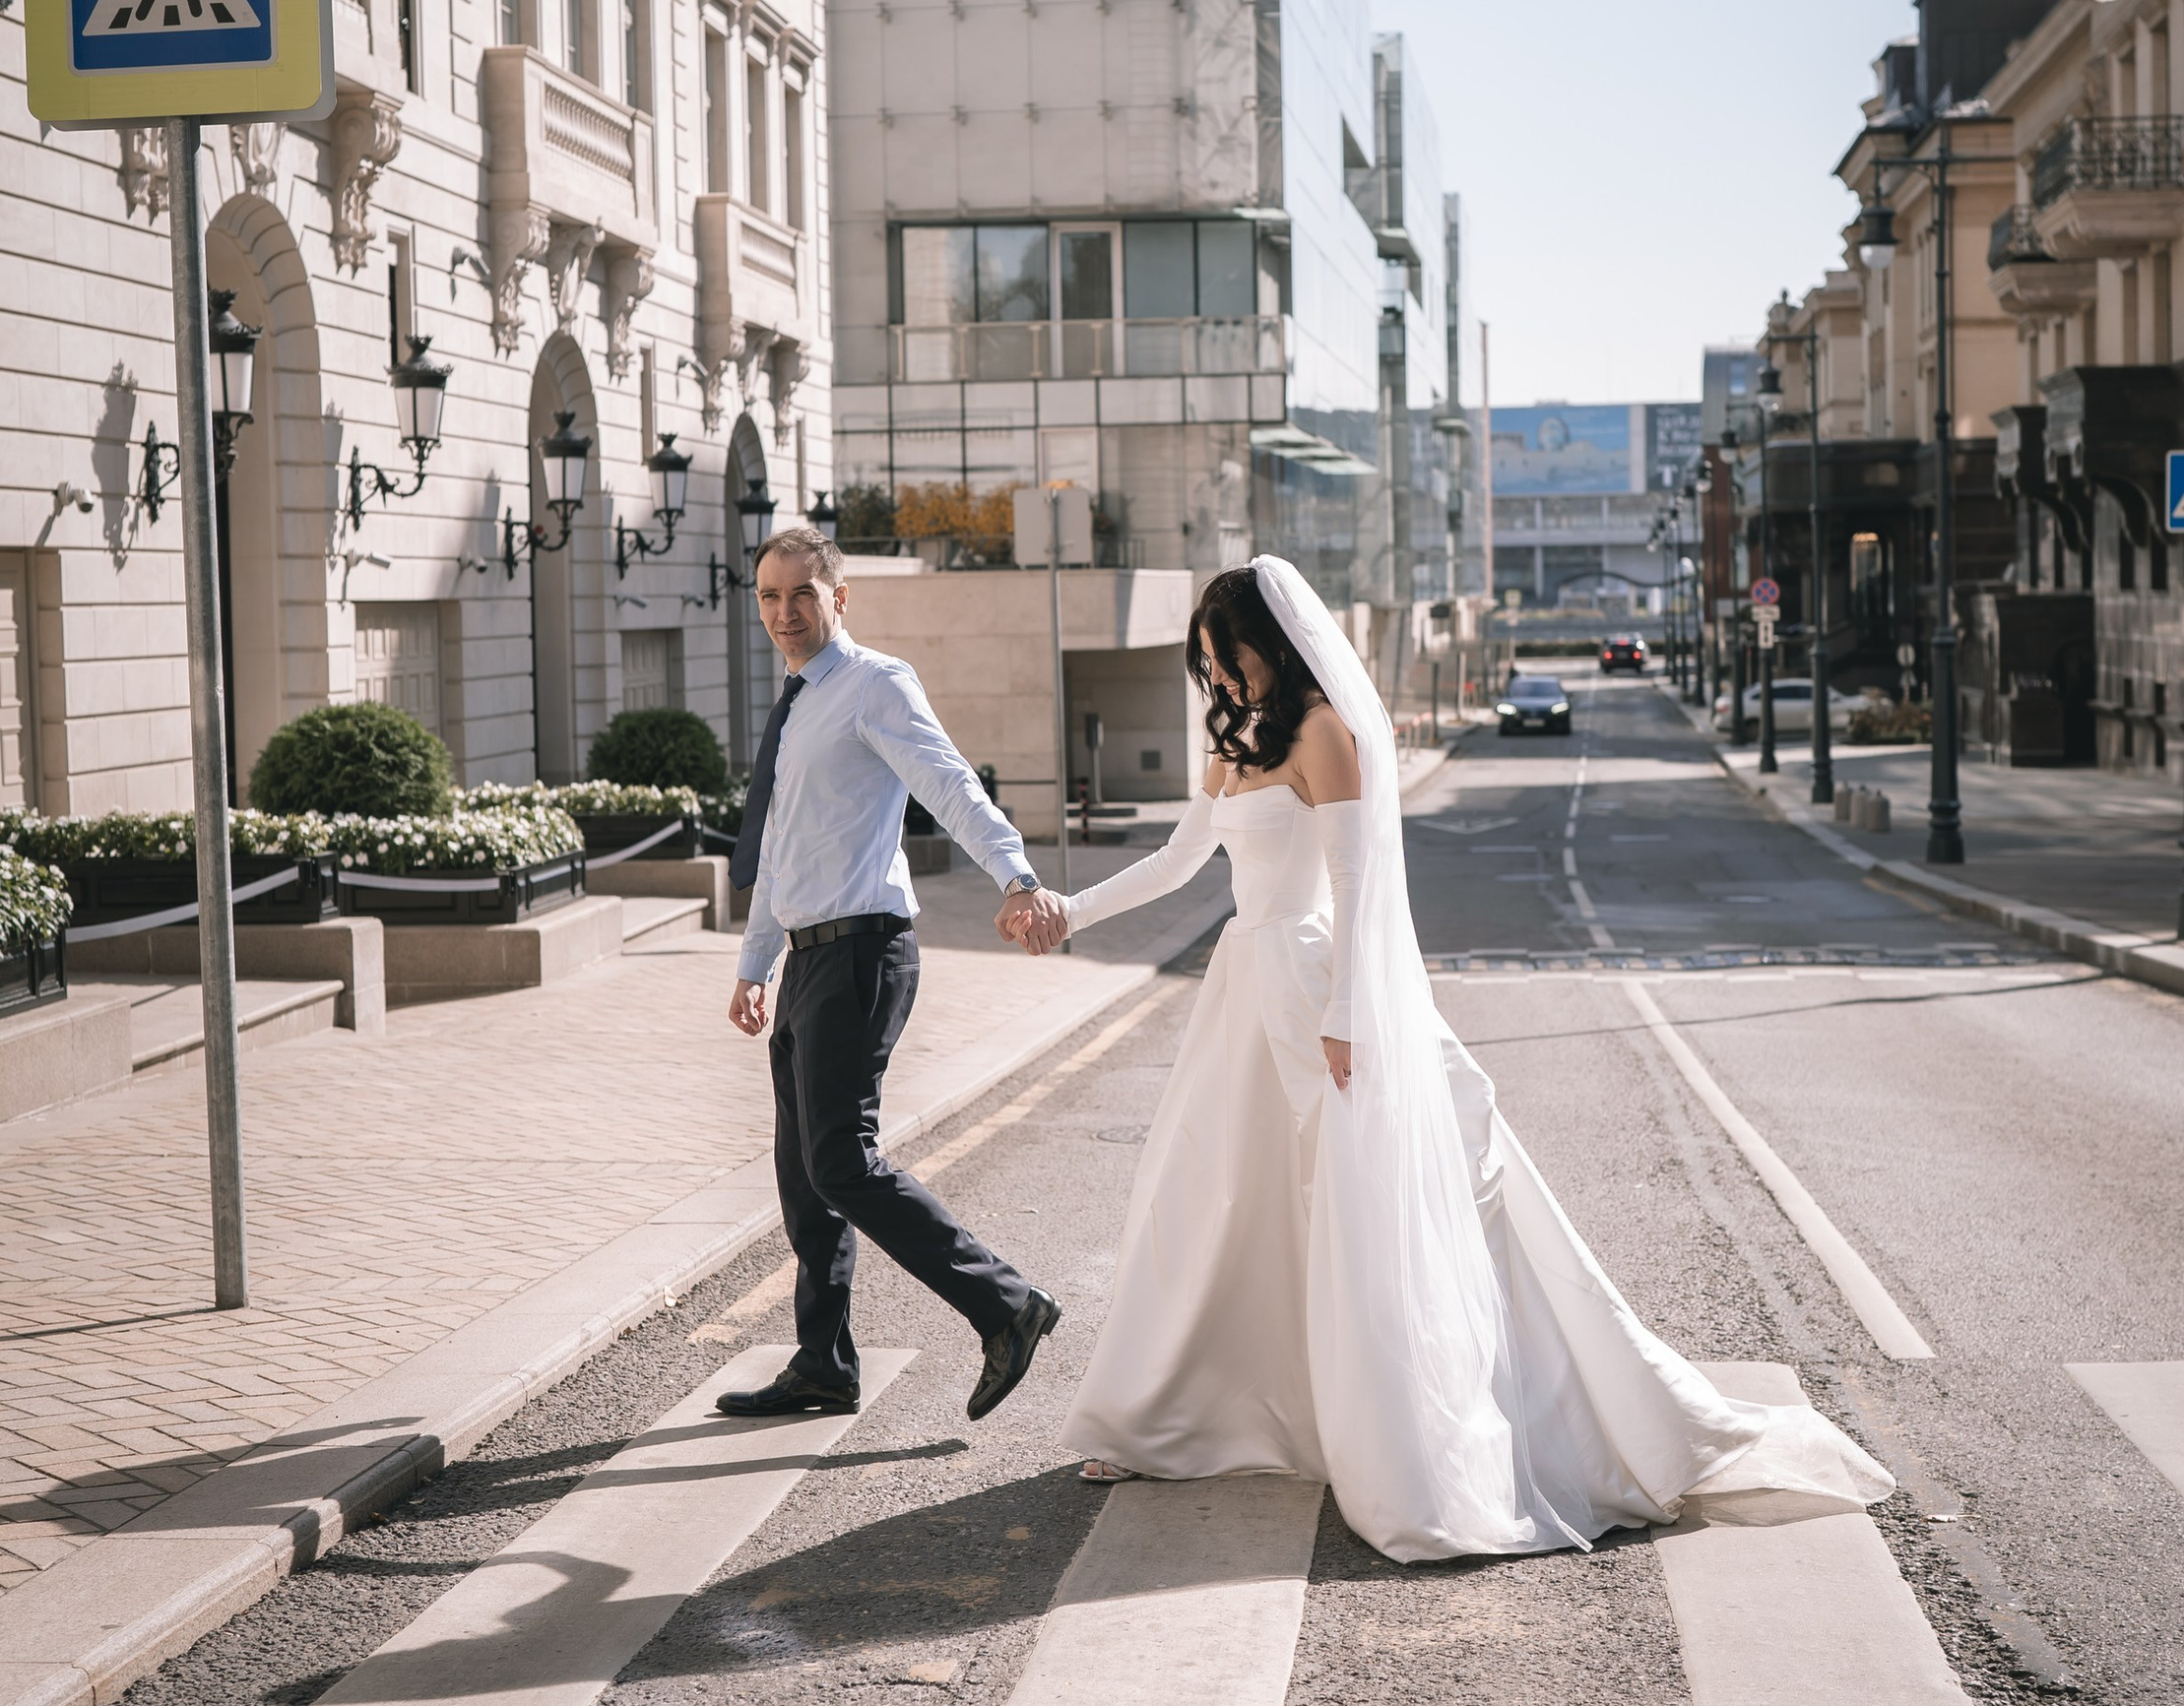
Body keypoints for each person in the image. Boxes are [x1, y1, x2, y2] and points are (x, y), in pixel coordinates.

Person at [1007, 554, 1891, 1563]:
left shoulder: (1324, 732)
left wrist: (1348, 1013)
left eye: (1232, 656)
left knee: (1350, 1211)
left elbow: (1358, 885)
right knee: (1216, 1198)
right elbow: (1176, 862)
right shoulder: (1236, 735)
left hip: (1317, 989)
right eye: (1207, 663)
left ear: (1276, 645)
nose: (1221, 677)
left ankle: (1385, 1434)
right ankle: (1171, 1418)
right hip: (1242, 990)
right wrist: (1068, 911)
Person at [718, 520, 1069, 1424]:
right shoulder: (800, 703)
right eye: (769, 596)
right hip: (808, 958)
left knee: (842, 1161)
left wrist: (1017, 876)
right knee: (804, 1173)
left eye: (802, 594)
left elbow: (949, 782)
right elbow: (782, 851)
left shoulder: (874, 684)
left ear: (840, 597)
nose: (785, 612)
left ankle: (1006, 1305)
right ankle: (824, 1363)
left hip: (864, 950)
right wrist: (756, 963)